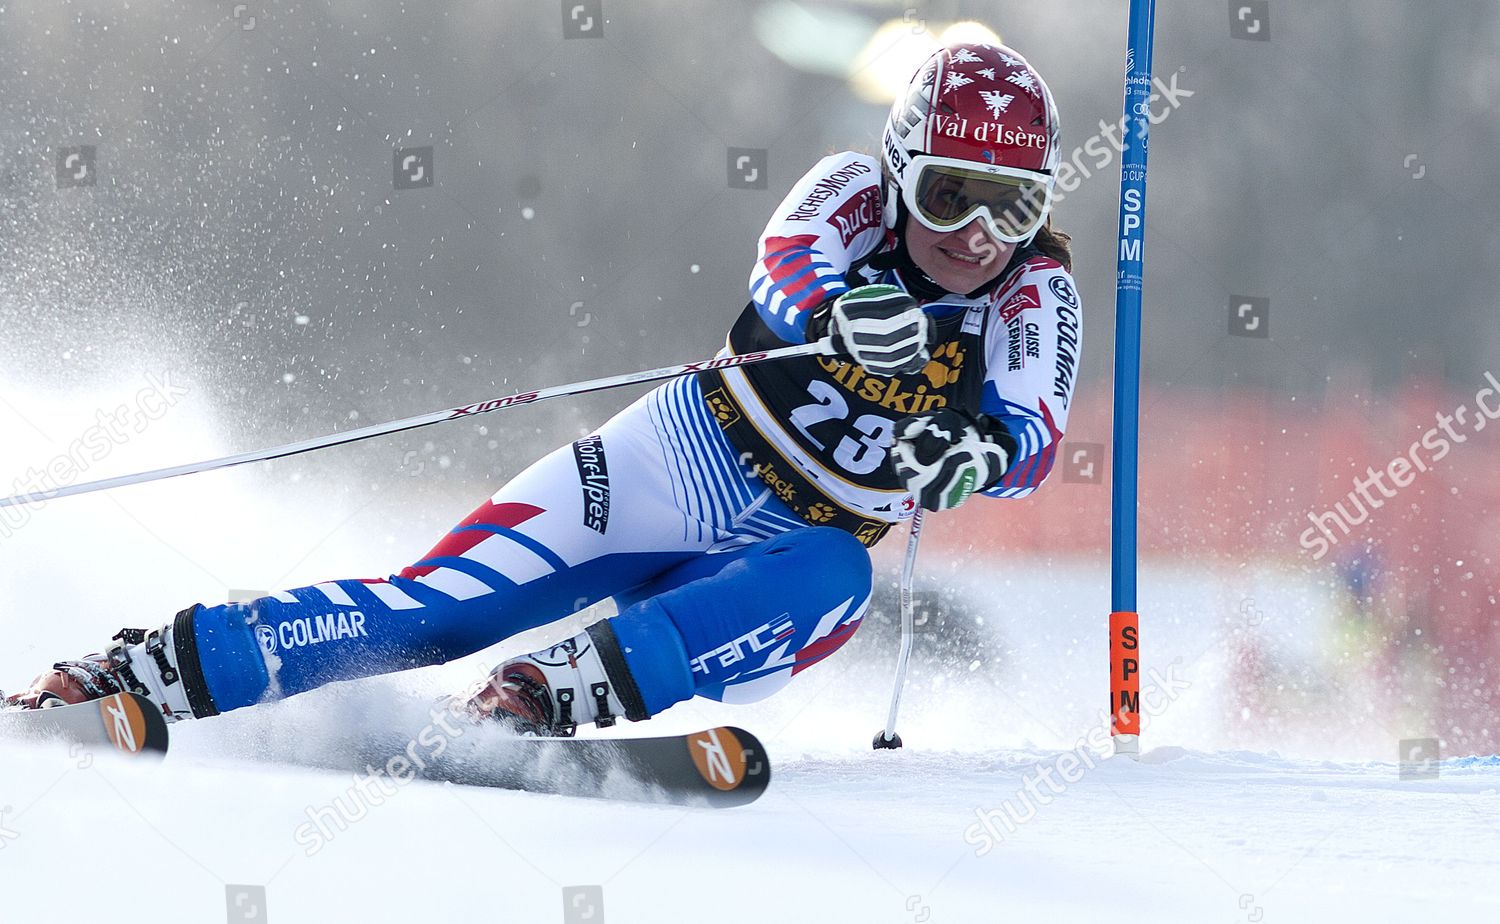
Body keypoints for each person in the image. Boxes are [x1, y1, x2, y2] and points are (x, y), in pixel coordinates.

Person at [3, 42, 1082, 737]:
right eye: (949, 197)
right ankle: (151, 669)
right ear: (899, 172)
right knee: (439, 612)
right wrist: (833, 313)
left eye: (1012, 207)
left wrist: (978, 455)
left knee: (839, 573)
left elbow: (1035, 429)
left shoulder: (1035, 292)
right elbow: (785, 264)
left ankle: (544, 694)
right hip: (679, 461)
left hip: (780, 572)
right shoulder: (849, 188)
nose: (978, 237)